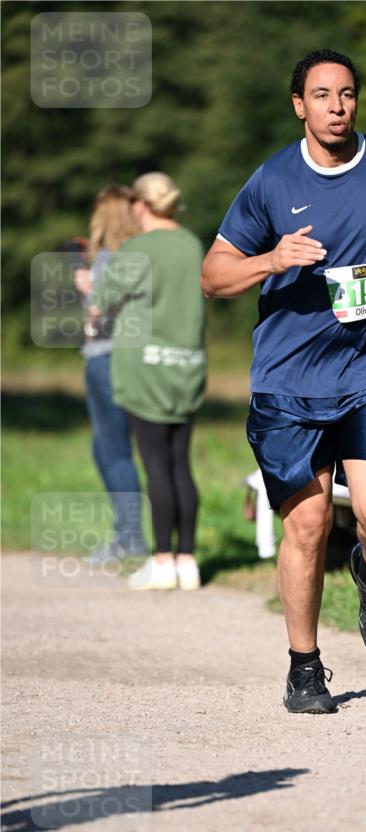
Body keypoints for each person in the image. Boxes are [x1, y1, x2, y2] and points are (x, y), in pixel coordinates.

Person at [201, 49, 366, 713]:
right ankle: (303, 666)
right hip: (286, 386)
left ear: (355, 101)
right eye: (321, 95)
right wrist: (269, 258)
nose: (336, 106)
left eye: (345, 94)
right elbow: (213, 275)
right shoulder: (270, 182)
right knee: (307, 527)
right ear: (300, 105)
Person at [89, 172, 207, 592]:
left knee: (156, 465)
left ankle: (161, 563)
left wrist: (91, 293)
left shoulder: (137, 249)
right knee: (181, 465)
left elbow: (99, 307)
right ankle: (188, 561)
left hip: (145, 369)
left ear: (141, 206)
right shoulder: (193, 244)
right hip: (188, 365)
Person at [73, 187, 149, 564]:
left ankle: (129, 538)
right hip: (132, 357)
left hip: (106, 357)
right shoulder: (143, 254)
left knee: (114, 449)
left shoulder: (108, 257)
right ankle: (127, 534)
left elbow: (99, 312)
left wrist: (88, 290)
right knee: (107, 448)